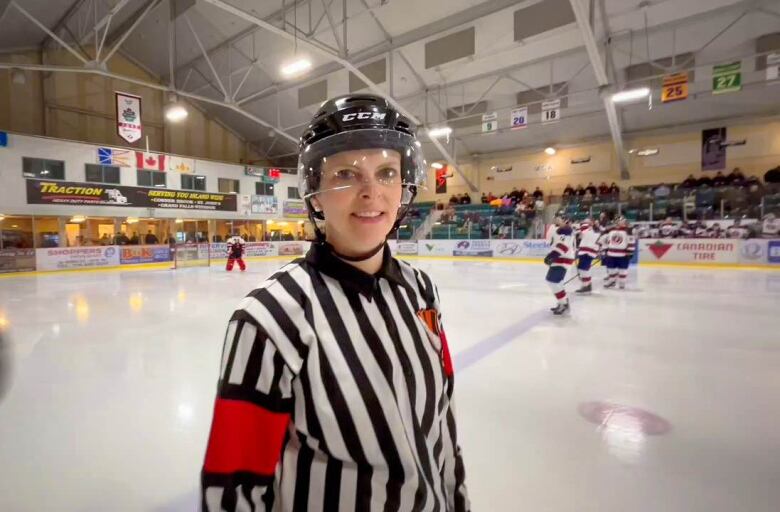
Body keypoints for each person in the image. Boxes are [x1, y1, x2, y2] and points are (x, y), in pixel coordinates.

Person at [201, 94, 470, 511]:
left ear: (404, 186)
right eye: (346, 174)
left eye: (386, 173)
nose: (370, 193)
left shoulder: (422, 292)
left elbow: (443, 430)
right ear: (316, 193)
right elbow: (232, 487)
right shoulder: (267, 318)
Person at [544, 215, 575, 315]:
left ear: (565, 221)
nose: (556, 220)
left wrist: (552, 256)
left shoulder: (566, 231)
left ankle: (564, 304)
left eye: (560, 218)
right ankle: (562, 302)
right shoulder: (559, 230)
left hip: (562, 259)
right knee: (554, 281)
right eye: (556, 218)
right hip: (559, 259)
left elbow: (563, 246)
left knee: (553, 281)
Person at [602, 218, 632, 290]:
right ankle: (612, 281)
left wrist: (630, 252)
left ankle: (622, 283)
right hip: (611, 253)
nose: (618, 222)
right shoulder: (610, 230)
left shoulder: (628, 230)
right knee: (610, 268)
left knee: (623, 269)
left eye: (621, 221)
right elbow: (605, 239)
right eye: (617, 221)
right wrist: (605, 249)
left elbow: (631, 241)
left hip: (623, 254)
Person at [575, 219, 601, 294]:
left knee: (583, 269)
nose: (584, 221)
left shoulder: (587, 228)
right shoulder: (594, 230)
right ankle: (588, 285)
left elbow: (578, 231)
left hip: (587, 251)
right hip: (589, 251)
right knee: (584, 269)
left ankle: (586, 285)